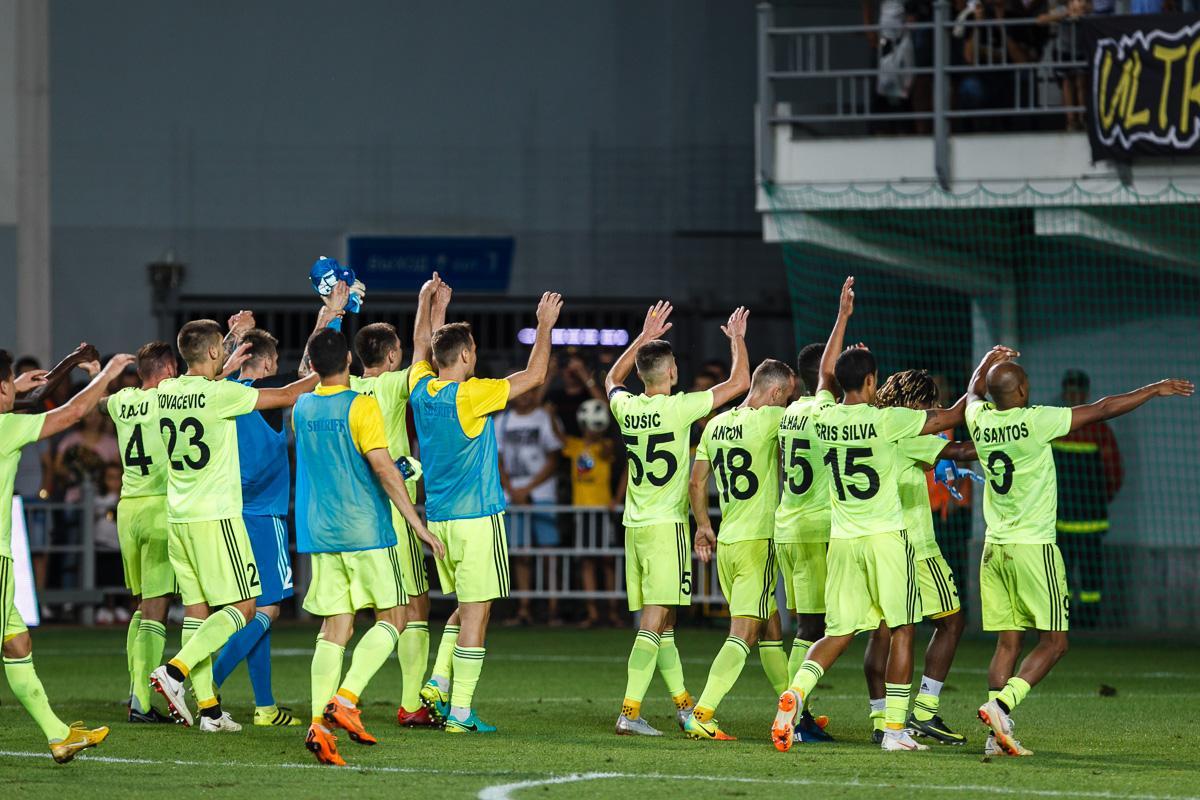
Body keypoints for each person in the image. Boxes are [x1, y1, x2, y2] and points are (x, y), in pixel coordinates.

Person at [770, 276, 1012, 753]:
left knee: (839, 632)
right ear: (871, 382)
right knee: (901, 629)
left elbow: (824, 377)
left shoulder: (822, 415)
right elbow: (954, 415)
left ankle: (795, 693)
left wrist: (842, 316)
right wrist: (983, 369)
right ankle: (896, 730)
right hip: (886, 539)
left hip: (842, 541)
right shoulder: (888, 421)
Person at [969, 363, 1192, 756]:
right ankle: (1001, 706)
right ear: (1020, 391)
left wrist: (986, 363)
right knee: (1055, 643)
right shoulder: (1037, 421)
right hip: (1033, 548)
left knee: (1007, 643)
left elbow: (973, 393)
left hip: (994, 549)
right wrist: (1153, 389)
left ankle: (995, 738)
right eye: (1026, 382)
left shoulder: (979, 419)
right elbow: (1103, 408)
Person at [147, 318, 318, 731]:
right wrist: (329, 366)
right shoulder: (221, 395)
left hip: (178, 518)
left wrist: (230, 338)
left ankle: (209, 710)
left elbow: (206, 370)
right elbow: (290, 393)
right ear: (213, 351)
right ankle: (174, 671)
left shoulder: (166, 390)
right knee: (246, 607)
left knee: (197, 613)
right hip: (216, 517)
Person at [410, 278, 564, 734]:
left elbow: (423, 346)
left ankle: (439, 682)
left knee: (466, 607)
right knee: (477, 614)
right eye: (472, 350)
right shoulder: (471, 394)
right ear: (464, 356)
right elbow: (534, 376)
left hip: (440, 520)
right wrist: (544, 325)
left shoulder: (420, 388)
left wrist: (431, 305)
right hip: (477, 520)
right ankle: (460, 713)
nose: (475, 356)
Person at [296, 328, 445, 767]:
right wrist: (417, 524)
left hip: (321, 532)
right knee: (395, 617)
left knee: (334, 629)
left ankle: (319, 727)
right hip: (365, 529)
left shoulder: (302, 406)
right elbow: (383, 470)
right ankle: (345, 698)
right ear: (347, 359)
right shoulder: (361, 405)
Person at [606, 300, 750, 737]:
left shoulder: (626, 407)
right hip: (666, 528)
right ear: (671, 372)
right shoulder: (681, 407)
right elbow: (740, 382)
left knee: (665, 623)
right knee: (655, 620)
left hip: (635, 527)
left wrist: (642, 338)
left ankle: (684, 706)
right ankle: (629, 712)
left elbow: (611, 379)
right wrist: (737, 340)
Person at [211, 303, 342, 728]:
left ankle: (265, 707)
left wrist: (233, 337)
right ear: (266, 363)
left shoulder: (219, 392)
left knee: (250, 610)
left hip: (228, 516)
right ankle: (204, 684)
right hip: (264, 517)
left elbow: (209, 371)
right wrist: (330, 318)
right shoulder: (263, 397)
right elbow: (313, 373)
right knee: (268, 611)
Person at [0, 348, 132, 762]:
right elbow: (73, 413)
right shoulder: (6, 426)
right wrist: (107, 374)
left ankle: (59, 736)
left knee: (17, 644)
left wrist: (15, 388)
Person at [347, 280, 447, 728]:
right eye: (399, 353)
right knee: (413, 606)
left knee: (349, 613)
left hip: (350, 511)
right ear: (390, 357)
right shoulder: (392, 385)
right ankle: (407, 704)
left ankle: (333, 696)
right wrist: (425, 300)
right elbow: (426, 348)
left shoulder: (344, 387)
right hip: (393, 507)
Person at [683, 359, 795, 741]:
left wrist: (704, 527)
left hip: (728, 542)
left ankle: (795, 710)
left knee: (770, 627)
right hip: (757, 542)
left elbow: (696, 483)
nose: (787, 402)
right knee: (744, 634)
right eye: (787, 396)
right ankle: (703, 713)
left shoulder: (715, 424)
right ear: (776, 393)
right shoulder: (771, 419)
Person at [864, 369, 977, 747]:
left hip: (875, 543)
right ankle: (924, 712)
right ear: (914, 403)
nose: (933, 411)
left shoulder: (870, 424)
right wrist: (1008, 439)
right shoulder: (908, 430)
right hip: (916, 546)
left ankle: (880, 717)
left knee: (881, 631)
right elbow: (959, 451)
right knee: (951, 622)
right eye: (929, 404)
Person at [103, 341, 179, 723]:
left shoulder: (122, 401)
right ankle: (142, 703)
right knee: (156, 610)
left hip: (127, 509)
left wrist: (98, 374)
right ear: (168, 370)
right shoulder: (169, 399)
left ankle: (136, 692)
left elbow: (97, 401)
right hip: (157, 509)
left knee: (139, 607)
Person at [774, 342, 836, 743]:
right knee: (814, 626)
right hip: (815, 529)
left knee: (808, 624)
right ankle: (796, 714)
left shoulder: (790, 412)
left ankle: (801, 710)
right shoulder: (826, 412)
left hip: (788, 525)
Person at [1053, 369, 1122, 629]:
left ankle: (1089, 622)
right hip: (1061, 521)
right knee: (1063, 572)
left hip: (1088, 522)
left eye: (1077, 392)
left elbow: (1114, 473)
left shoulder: (1098, 431)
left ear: (1085, 394)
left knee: (1090, 572)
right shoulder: (1058, 428)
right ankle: (1068, 619)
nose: (1073, 396)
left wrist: (1098, 501)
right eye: (1070, 392)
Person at [497, 388, 563, 626]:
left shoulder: (544, 417)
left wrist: (527, 489)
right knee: (521, 553)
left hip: (542, 494)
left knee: (549, 552)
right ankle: (524, 608)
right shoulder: (500, 420)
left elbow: (555, 458)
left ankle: (553, 609)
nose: (524, 395)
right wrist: (513, 490)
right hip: (512, 495)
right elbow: (497, 459)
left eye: (529, 391)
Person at [563, 400, 625, 629]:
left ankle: (613, 612)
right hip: (581, 512)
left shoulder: (605, 446)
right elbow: (557, 438)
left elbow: (624, 465)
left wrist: (617, 498)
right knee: (586, 561)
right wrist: (550, 414)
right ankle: (592, 613)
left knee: (608, 560)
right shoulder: (575, 445)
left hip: (602, 511)